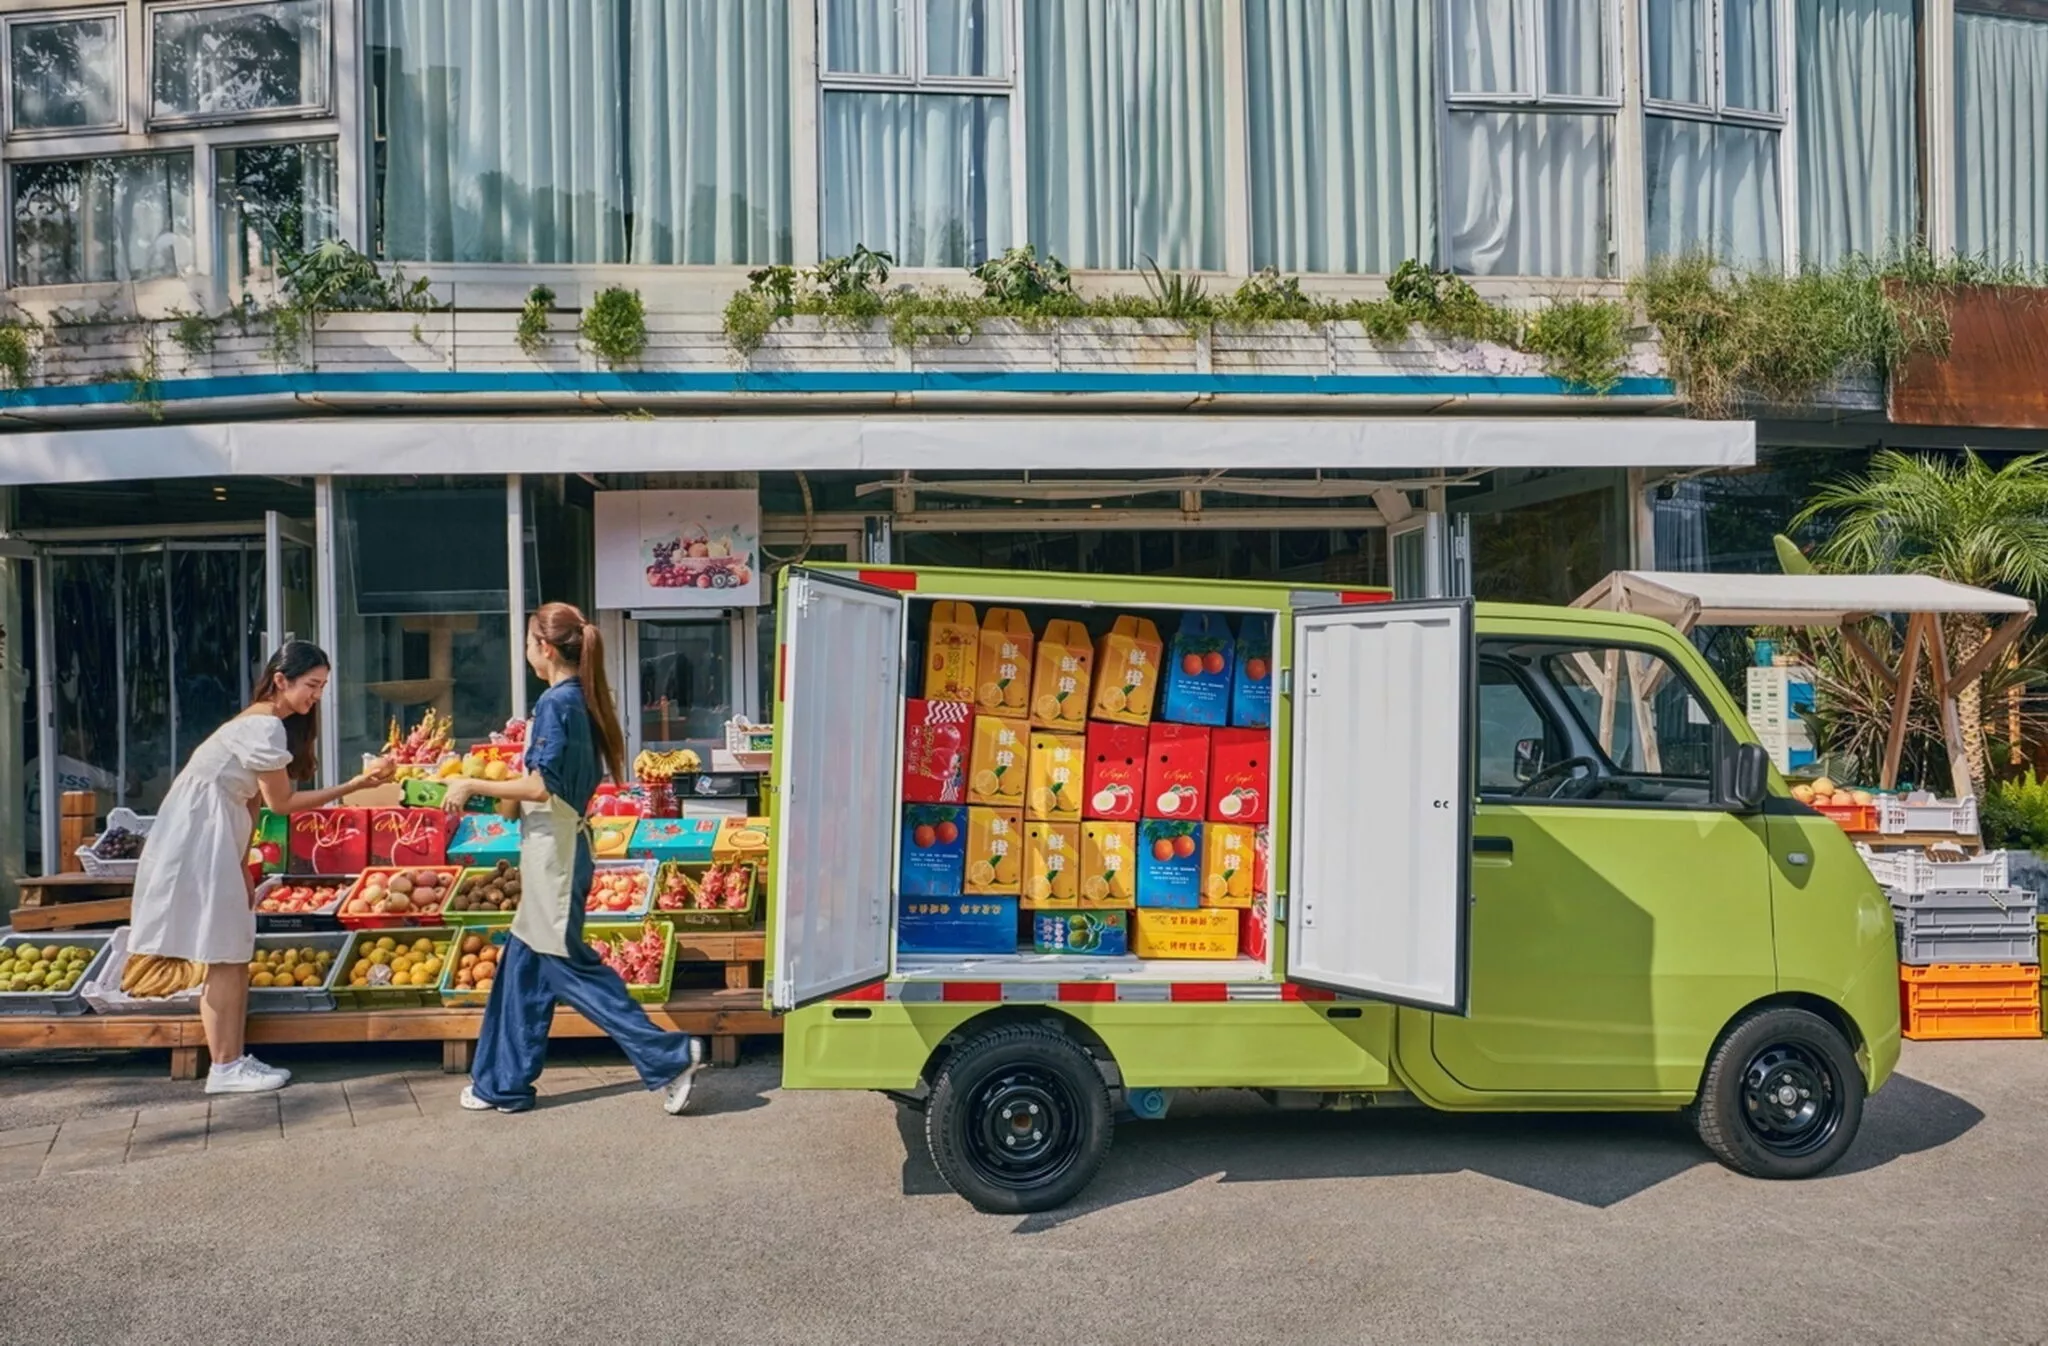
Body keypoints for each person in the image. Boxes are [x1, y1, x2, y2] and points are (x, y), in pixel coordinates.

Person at [443, 602, 705, 1115]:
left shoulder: (555, 703)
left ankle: (670, 1054)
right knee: (523, 968)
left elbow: (541, 786)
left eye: (525, 640)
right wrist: (501, 788)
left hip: (554, 857)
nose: (523, 650)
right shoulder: (578, 699)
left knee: (569, 969)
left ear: (543, 647)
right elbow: (539, 788)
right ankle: (503, 1083)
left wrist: (471, 780)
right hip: (558, 848)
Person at [129, 641, 395, 1094]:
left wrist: (242, 862)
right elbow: (282, 803)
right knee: (226, 952)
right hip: (200, 834)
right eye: (311, 685)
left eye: (323, 687)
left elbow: (253, 803)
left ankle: (230, 1060)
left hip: (208, 832)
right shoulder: (265, 727)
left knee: (232, 948)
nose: (316, 696)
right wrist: (356, 784)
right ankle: (225, 1066)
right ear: (280, 681)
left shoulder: (259, 725)